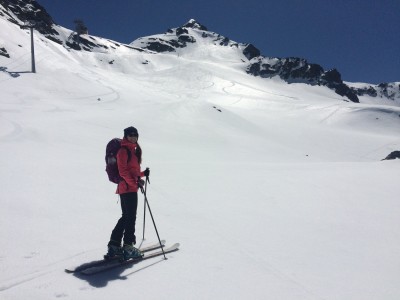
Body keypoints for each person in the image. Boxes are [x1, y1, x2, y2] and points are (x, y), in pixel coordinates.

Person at [106, 126, 150, 260]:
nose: (133, 137)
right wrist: (134, 183)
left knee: (126, 216)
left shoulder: (132, 150)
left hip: (127, 187)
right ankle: (128, 246)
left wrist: (142, 174)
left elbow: (132, 172)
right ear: (125, 136)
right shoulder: (123, 151)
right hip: (127, 189)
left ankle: (114, 244)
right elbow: (123, 172)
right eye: (130, 135)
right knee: (131, 217)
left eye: (135, 135)